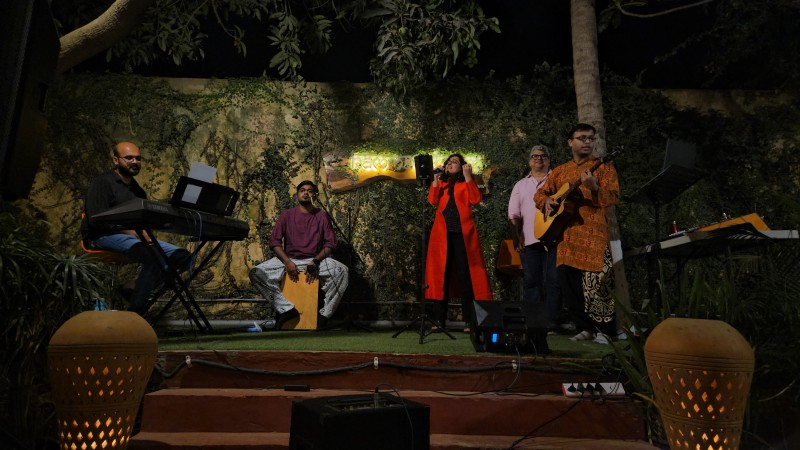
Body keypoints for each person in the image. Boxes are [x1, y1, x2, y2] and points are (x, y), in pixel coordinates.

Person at [81, 141, 190, 315]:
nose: (135, 162)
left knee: (183, 257)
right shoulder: (102, 182)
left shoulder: (137, 191)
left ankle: (133, 288)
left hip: (132, 237)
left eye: (138, 158)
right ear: (116, 160)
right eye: (129, 158)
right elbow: (96, 220)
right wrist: (132, 231)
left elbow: (143, 222)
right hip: (101, 236)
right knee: (155, 257)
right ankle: (134, 313)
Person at [534, 124, 620, 343]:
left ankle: (606, 330)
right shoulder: (560, 171)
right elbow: (540, 194)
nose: (587, 142)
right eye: (582, 138)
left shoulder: (604, 168)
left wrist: (594, 187)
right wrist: (547, 200)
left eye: (591, 138)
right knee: (570, 285)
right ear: (570, 142)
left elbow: (612, 197)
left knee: (597, 284)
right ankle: (584, 328)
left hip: (594, 235)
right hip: (567, 237)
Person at [249, 180, 348, 330]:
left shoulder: (321, 216)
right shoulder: (287, 215)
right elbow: (274, 242)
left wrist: (315, 261)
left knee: (342, 271)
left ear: (314, 195)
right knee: (256, 273)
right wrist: (287, 262)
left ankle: (324, 316)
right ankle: (286, 310)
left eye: (309, 190)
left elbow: (330, 244)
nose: (306, 193)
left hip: (314, 261)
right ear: (297, 195)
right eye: (302, 190)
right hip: (289, 260)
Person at [425, 154, 493, 331]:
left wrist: (469, 177)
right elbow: (432, 200)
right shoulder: (442, 184)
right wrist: (435, 179)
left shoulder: (465, 183)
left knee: (466, 277)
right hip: (441, 237)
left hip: (463, 236)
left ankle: (470, 321)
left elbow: (476, 199)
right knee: (440, 278)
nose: (449, 164)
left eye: (454, 162)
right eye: (448, 162)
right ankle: (439, 320)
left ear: (462, 166)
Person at [508, 145, 562, 330]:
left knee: (554, 281)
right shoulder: (520, 185)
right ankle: (534, 321)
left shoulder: (558, 180)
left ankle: (552, 322)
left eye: (543, 156)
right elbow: (513, 214)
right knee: (531, 282)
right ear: (529, 161)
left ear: (549, 160)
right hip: (529, 240)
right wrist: (516, 237)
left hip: (555, 239)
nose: (539, 159)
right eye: (535, 156)